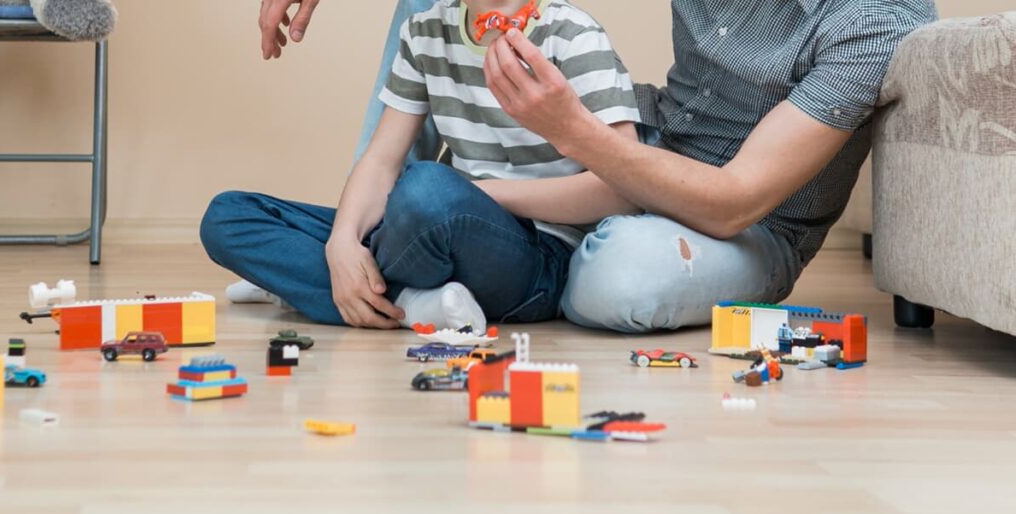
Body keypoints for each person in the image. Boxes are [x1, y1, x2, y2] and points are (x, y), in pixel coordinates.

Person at [210, 0, 937, 333]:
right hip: (631, 159)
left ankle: (364, 270)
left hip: (741, 225)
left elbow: (733, 201)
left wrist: (568, 136)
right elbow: (385, 154)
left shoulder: (874, 21)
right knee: (232, 215)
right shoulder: (433, 32)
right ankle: (368, 266)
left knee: (610, 273)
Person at [201, 0, 640, 332]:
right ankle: (411, 303)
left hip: (537, 255)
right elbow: (380, 162)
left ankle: (298, 280)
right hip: (436, 227)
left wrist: (478, 195)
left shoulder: (574, 35)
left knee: (427, 190)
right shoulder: (425, 31)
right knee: (227, 216)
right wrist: (340, 244)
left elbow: (621, 188)